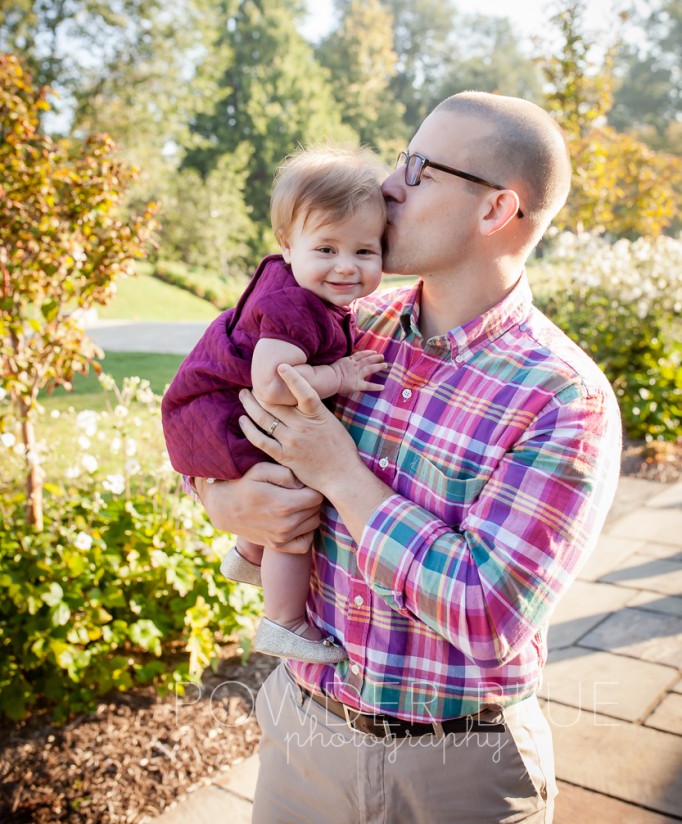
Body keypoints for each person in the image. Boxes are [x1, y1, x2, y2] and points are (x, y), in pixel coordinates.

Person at [194, 92, 622, 824]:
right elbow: (208, 411)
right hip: (302, 735)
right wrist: (216, 498)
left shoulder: (561, 397)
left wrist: (339, 473)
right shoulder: (346, 327)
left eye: (420, 168)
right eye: (401, 158)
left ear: (495, 212)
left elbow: (487, 616)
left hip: (456, 772)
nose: (390, 184)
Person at [162, 145, 387, 664]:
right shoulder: (292, 307)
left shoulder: (307, 291)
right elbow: (274, 386)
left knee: (287, 484)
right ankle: (284, 621)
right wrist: (339, 374)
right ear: (287, 245)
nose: (346, 268)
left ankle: (247, 552)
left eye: (364, 252)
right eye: (326, 250)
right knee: (294, 497)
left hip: (210, 412)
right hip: (223, 416)